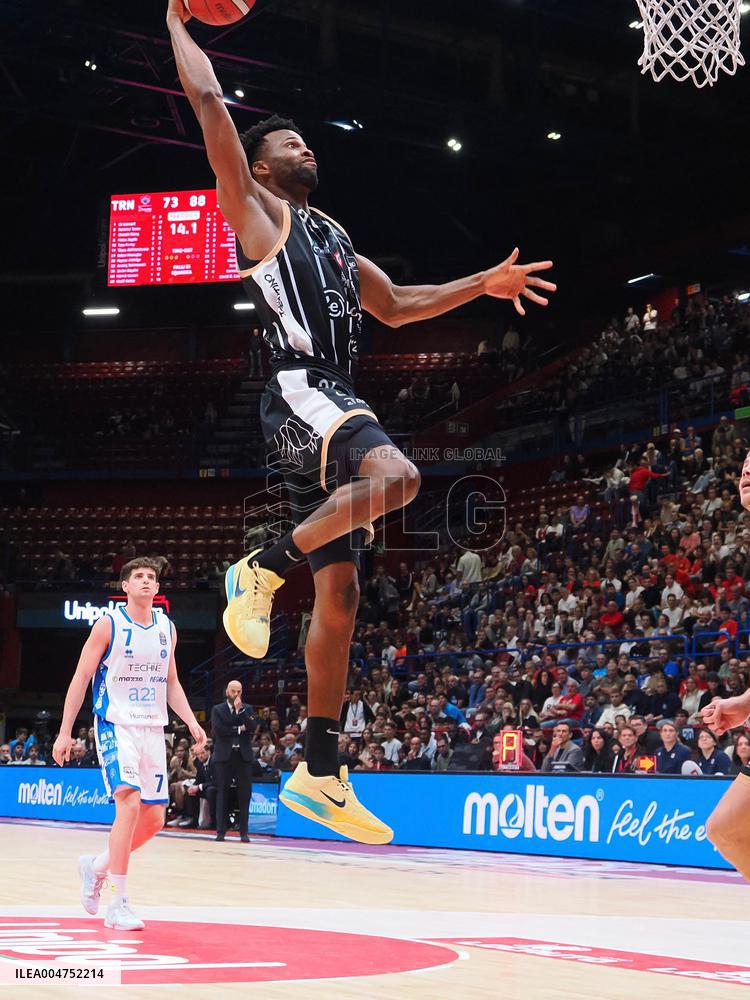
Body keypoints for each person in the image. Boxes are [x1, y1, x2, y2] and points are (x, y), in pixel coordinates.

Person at [166, 0, 556, 845]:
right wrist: (177, 20)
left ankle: (318, 768)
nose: (304, 145)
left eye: (307, 139)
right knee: (401, 479)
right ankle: (259, 570)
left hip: (331, 396)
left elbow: (401, 306)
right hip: (303, 390)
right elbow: (207, 107)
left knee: (341, 595)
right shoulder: (260, 217)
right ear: (260, 170)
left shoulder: (336, 236)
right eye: (286, 143)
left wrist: (479, 283)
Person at [52, 557, 206, 930]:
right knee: (130, 804)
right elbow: (80, 677)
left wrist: (192, 722)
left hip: (153, 728)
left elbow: (170, 682)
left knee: (155, 819)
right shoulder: (109, 625)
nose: (146, 582)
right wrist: (65, 731)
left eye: (151, 577)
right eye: (138, 576)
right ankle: (118, 904)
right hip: (115, 724)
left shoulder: (167, 628)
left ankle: (96, 866)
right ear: (125, 586)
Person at [210, 680, 257, 842]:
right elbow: (219, 730)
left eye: (239, 691)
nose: (236, 694)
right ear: (227, 692)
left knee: (245, 794)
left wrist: (240, 711)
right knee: (222, 792)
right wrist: (238, 728)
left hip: (243, 757)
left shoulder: (247, 709)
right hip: (224, 757)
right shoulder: (218, 709)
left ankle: (244, 832)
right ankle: (220, 831)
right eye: (233, 691)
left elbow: (252, 726)